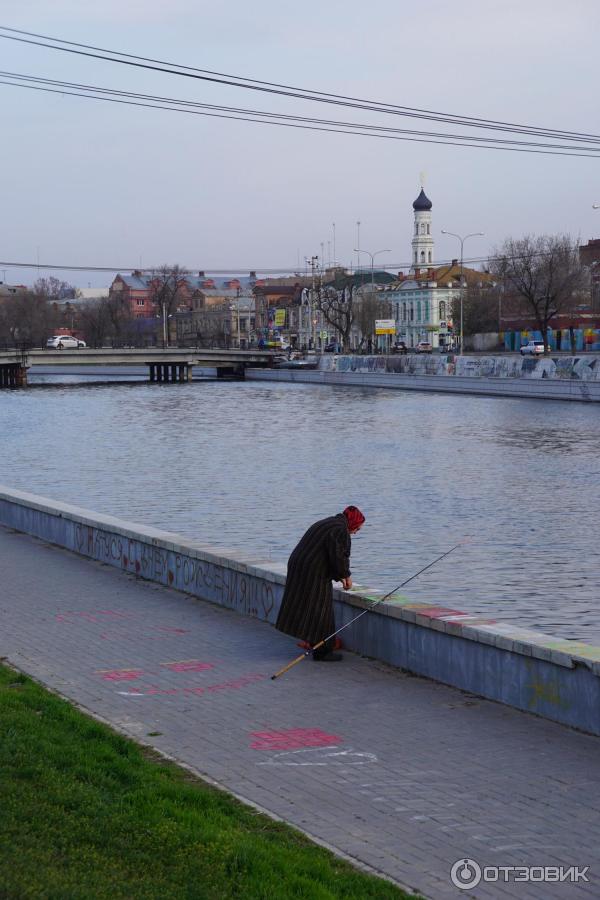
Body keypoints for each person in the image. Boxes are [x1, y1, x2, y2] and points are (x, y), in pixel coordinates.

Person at [275, 505, 365, 662]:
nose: (356, 532)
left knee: (307, 605)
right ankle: (323, 651)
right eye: (357, 528)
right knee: (321, 608)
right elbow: (338, 557)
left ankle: (314, 642)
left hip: (299, 564)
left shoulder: (329, 522)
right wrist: (346, 576)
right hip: (312, 570)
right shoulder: (340, 530)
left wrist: (341, 575)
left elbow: (329, 553)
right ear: (352, 523)